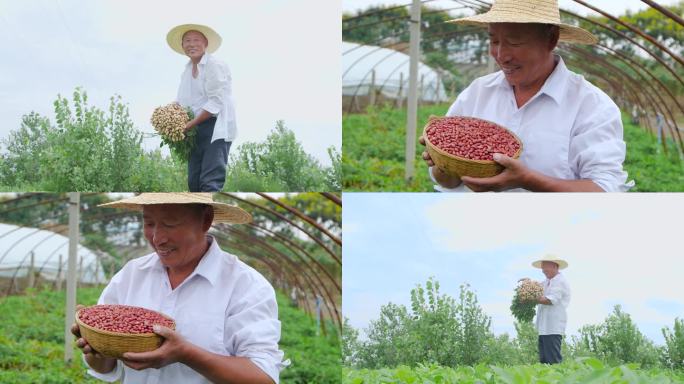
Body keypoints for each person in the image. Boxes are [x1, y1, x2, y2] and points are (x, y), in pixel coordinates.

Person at [419, 0, 633, 192]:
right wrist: (443, 163)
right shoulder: (478, 92)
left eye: (514, 42)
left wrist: (528, 180)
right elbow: (449, 182)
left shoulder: (590, 106)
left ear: (551, 39)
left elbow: (605, 189)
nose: (502, 55)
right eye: (494, 41)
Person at [71, 193, 285, 383]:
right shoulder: (132, 274)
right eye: (149, 223)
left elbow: (262, 376)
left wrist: (186, 354)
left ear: (206, 220)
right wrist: (97, 347)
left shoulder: (245, 285)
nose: (157, 238)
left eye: (170, 224)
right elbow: (105, 367)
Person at [167, 24, 236, 192]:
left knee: (210, 181)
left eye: (196, 40)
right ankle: (196, 215)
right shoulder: (187, 70)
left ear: (205, 43)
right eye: (187, 41)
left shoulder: (214, 65)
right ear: (182, 46)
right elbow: (183, 100)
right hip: (196, 129)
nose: (192, 44)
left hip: (215, 126)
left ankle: (210, 216)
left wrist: (188, 125)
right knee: (194, 182)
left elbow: (215, 103)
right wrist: (168, 111)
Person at [532, 256, 571, 364]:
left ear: (555, 266)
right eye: (542, 268)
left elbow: (550, 300)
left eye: (545, 267)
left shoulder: (560, 282)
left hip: (553, 326)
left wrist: (532, 298)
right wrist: (527, 283)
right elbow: (535, 288)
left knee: (553, 361)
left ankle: (558, 381)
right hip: (544, 327)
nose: (543, 270)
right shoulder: (547, 281)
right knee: (544, 361)